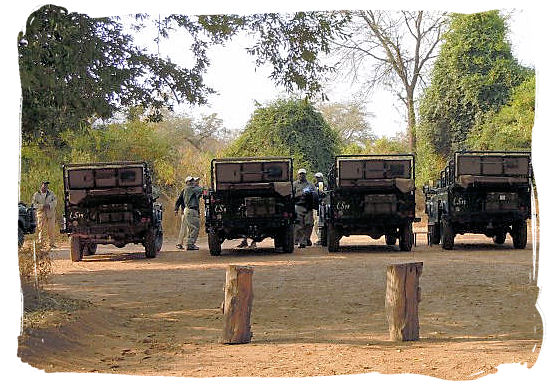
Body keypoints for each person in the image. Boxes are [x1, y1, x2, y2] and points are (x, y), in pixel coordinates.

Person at [175, 176, 203, 251]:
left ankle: (187, 243)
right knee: (193, 228)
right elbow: (202, 190)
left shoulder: (189, 189)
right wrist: (176, 209)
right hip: (189, 211)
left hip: (188, 211)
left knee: (190, 229)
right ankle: (188, 244)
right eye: (192, 181)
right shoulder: (190, 189)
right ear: (187, 183)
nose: (194, 182)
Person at [293, 168, 315, 248]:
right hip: (298, 206)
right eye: (300, 174)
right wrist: (301, 194)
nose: (302, 175)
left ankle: (306, 239)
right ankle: (302, 242)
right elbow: (291, 196)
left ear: (305, 175)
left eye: (303, 174)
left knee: (309, 224)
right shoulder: (295, 184)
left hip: (308, 207)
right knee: (299, 225)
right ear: (298, 175)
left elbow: (315, 195)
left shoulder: (310, 185)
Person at [31, 181, 57, 248]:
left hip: (50, 213)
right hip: (41, 214)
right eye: (44, 185)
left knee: (51, 229)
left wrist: (49, 205)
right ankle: (41, 243)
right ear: (41, 186)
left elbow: (55, 201)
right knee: (41, 229)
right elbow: (34, 204)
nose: (45, 186)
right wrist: (42, 206)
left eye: (46, 185)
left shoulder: (51, 193)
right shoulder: (36, 194)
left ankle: (52, 243)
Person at [313, 172, 326, 246]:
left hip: (322, 206)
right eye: (317, 177)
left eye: (319, 177)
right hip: (316, 206)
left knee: (320, 223)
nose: (318, 179)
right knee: (316, 223)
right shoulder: (314, 186)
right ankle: (320, 238)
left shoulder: (326, 185)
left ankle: (321, 239)